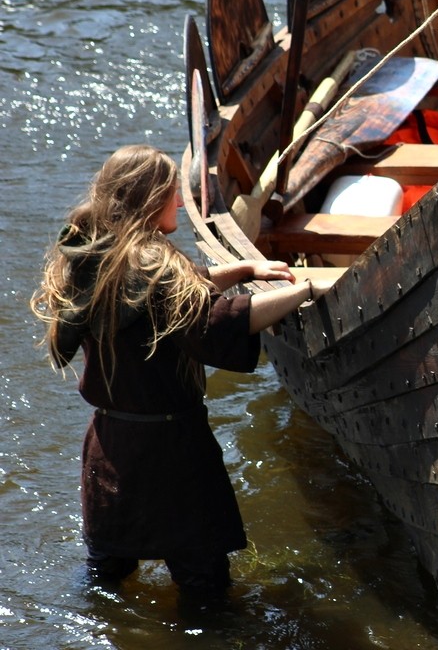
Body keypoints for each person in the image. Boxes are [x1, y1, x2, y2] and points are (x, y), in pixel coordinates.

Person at [30, 145, 332, 594]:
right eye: (173, 192)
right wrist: (306, 290)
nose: (177, 201)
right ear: (151, 200)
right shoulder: (154, 266)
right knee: (204, 588)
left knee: (105, 580)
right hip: (170, 454)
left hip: (109, 451)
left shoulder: (98, 252)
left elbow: (171, 293)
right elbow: (216, 323)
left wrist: (244, 267)